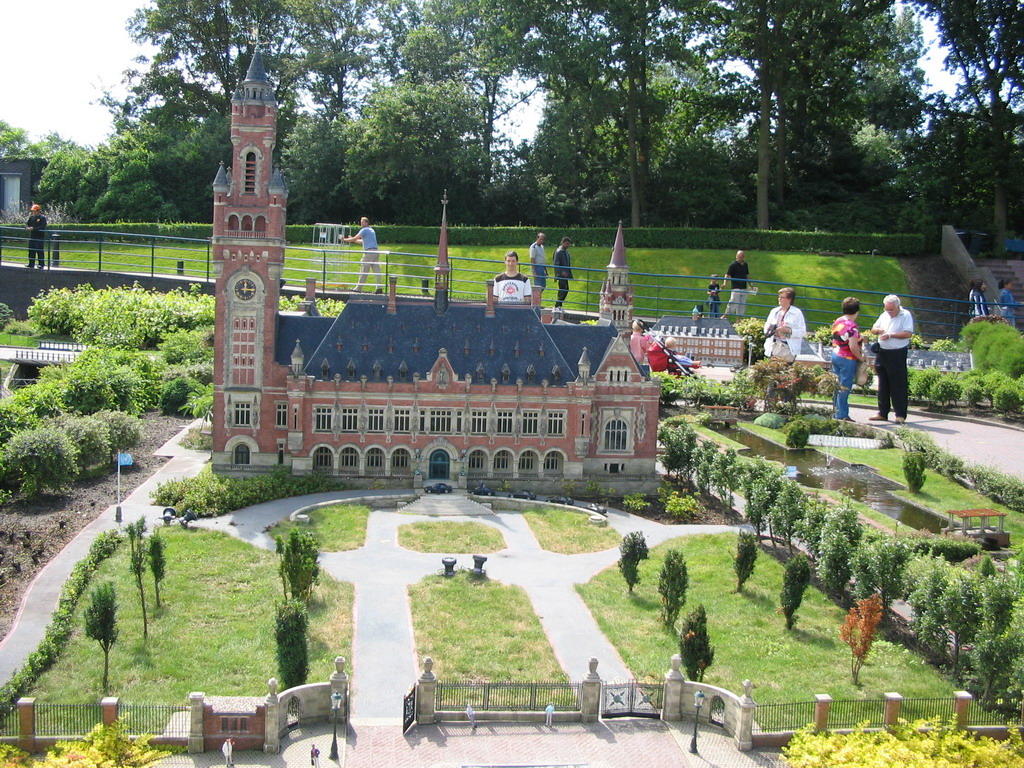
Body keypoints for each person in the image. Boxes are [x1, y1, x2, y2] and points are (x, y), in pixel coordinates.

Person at [869, 294, 914, 424]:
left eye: (891, 310)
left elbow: (908, 333)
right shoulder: (884, 315)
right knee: (883, 383)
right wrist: (878, 330)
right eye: (886, 309)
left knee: (898, 384)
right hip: (882, 352)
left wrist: (890, 335)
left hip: (897, 353)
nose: (889, 312)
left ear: (897, 306)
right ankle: (882, 412)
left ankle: (900, 414)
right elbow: (873, 328)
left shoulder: (905, 315)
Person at [831, 297, 866, 422]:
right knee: (845, 386)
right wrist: (860, 358)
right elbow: (853, 346)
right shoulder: (852, 327)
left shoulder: (839, 321)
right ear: (857, 311)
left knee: (836, 384)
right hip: (847, 358)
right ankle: (842, 414)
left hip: (836, 354)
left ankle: (835, 411)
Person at [762, 287, 806, 362]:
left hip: (787, 348)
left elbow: (802, 332)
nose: (779, 299)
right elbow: (766, 326)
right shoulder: (774, 311)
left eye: (782, 297)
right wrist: (771, 329)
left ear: (789, 299)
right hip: (773, 346)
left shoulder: (796, 313)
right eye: (779, 297)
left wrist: (788, 330)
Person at [343, 216, 382, 293]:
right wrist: (353, 239)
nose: (361, 223)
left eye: (362, 222)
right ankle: (379, 288)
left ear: (366, 223)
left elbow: (354, 238)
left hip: (369, 252)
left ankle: (358, 288)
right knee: (376, 270)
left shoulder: (364, 230)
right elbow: (361, 241)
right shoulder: (371, 230)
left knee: (364, 269)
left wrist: (344, 239)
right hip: (376, 252)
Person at [724, 250, 750, 318]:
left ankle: (738, 320)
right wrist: (725, 283)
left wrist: (751, 284)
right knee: (733, 303)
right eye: (738, 257)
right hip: (736, 287)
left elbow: (747, 275)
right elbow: (727, 274)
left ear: (743, 257)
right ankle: (725, 316)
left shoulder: (745, 264)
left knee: (742, 305)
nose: (739, 258)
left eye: (741, 257)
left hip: (743, 287)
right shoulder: (733, 265)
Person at [552, 237, 573, 309]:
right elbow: (556, 263)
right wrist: (561, 272)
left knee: (564, 289)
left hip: (565, 274)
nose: (568, 245)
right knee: (563, 289)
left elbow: (567, 263)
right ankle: (557, 305)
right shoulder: (559, 251)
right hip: (561, 275)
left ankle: (559, 305)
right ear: (563, 243)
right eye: (566, 243)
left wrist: (569, 274)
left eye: (568, 244)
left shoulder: (565, 252)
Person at [25, 204, 46, 270]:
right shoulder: (31, 218)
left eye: (35, 211)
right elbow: (27, 224)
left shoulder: (42, 218)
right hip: (32, 237)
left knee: (39, 251)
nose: (34, 212)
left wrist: (34, 228)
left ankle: (41, 264)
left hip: (39, 237)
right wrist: (27, 228)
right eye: (33, 211)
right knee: (31, 250)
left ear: (38, 211)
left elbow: (42, 227)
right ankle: (31, 264)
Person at [528, 232, 547, 297]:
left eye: (543, 239)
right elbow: (532, 260)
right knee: (538, 286)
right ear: (537, 238)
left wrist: (545, 270)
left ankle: (537, 298)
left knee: (543, 285)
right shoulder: (533, 247)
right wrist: (534, 272)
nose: (541, 241)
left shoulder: (542, 247)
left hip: (542, 267)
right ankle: (535, 301)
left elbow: (543, 258)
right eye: (540, 239)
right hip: (537, 267)